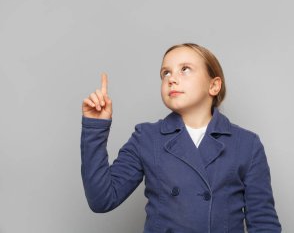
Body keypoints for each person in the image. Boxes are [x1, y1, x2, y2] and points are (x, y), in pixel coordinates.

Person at [80, 43, 282, 233]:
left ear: (214, 86)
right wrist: (95, 126)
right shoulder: (147, 138)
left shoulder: (246, 144)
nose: (171, 78)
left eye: (185, 69)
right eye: (165, 72)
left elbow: (264, 223)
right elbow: (102, 199)